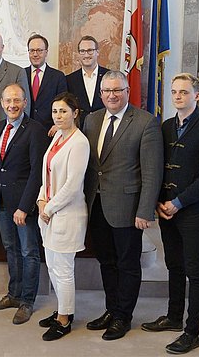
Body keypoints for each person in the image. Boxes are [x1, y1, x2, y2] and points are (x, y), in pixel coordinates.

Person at [141, 74, 199, 354]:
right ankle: (174, 317)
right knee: (173, 266)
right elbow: (158, 168)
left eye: (184, 92)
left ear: (196, 96)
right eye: (174, 92)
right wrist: (159, 202)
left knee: (194, 271)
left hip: (193, 211)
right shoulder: (165, 127)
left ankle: (192, 331)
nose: (177, 96)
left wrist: (178, 201)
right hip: (166, 210)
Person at [82, 71, 163, 340]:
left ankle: (123, 317)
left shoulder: (145, 122)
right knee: (106, 261)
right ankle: (111, 309)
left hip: (128, 208)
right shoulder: (91, 120)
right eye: (107, 91)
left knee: (127, 264)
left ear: (127, 91)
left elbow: (152, 172)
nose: (112, 95)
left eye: (117, 90)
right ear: (101, 94)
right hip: (97, 205)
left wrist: (145, 210)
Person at [0, 84, 48, 324]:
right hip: (2, 203)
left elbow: (36, 173)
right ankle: (13, 294)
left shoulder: (35, 130)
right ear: (2, 103)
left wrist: (25, 206)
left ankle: (27, 301)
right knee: (11, 249)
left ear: (24, 103)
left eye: (16, 101)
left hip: (24, 205)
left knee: (29, 252)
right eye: (8, 101)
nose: (12, 105)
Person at [36, 92, 90, 341]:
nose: (58, 116)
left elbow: (72, 185)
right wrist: (40, 200)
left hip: (66, 214)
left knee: (64, 269)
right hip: (48, 213)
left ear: (75, 113)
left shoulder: (79, 143)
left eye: (63, 111)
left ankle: (65, 320)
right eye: (55, 111)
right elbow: (47, 173)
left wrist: (48, 208)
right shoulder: (57, 135)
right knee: (53, 268)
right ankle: (62, 309)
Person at [23, 34, 67, 134]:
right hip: (24, 130)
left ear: (46, 52)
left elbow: (63, 104)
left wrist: (58, 125)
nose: (35, 54)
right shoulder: (21, 74)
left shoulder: (58, 77)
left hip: (49, 131)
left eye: (39, 50)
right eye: (32, 50)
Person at [65, 36, 109, 129]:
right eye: (82, 51)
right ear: (78, 54)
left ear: (97, 52)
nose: (86, 55)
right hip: (79, 129)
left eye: (90, 50)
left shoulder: (109, 76)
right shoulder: (69, 79)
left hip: (104, 128)